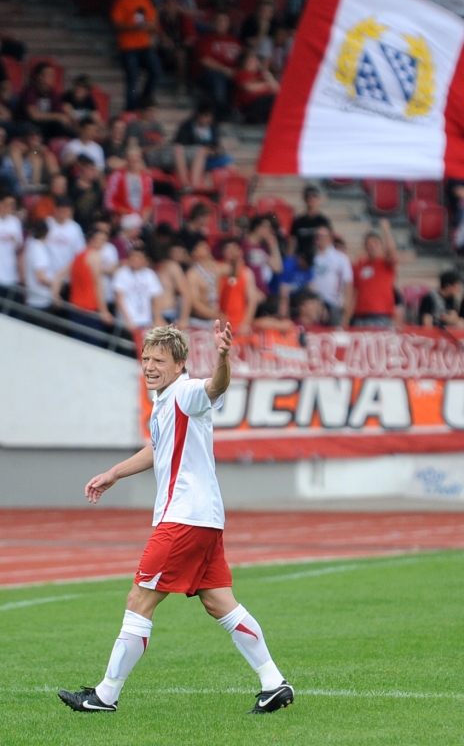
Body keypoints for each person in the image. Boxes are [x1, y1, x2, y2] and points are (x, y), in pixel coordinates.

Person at [58, 323, 294, 715]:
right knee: (220, 603)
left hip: (183, 519)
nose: (149, 366)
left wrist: (222, 357)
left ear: (179, 364)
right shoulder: (165, 400)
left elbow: (215, 387)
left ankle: (105, 695)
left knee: (139, 599)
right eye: (146, 358)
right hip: (203, 519)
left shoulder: (185, 392)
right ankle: (273, 683)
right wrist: (114, 472)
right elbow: (157, 446)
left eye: (158, 360)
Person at [110, 0, 163, 111]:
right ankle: (131, 109)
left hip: (144, 44)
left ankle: (144, 100)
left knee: (156, 71)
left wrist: (150, 27)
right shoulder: (123, 0)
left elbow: (153, 20)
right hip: (128, 46)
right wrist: (133, 27)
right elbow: (116, 23)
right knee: (132, 80)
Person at [196, 11, 242, 120]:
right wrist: (225, 69)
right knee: (218, 79)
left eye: (224, 21)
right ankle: (220, 114)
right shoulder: (206, 39)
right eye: (218, 20)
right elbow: (204, 60)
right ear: (213, 23)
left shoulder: (235, 40)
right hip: (209, 74)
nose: (221, 23)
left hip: (232, 72)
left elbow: (244, 59)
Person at [173, 103, 231, 189]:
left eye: (210, 117)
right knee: (201, 151)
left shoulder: (212, 127)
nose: (208, 120)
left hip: (209, 156)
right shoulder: (187, 127)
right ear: (199, 115)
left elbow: (216, 144)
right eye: (206, 116)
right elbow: (180, 144)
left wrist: (216, 150)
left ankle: (229, 188)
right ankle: (194, 185)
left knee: (229, 161)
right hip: (192, 155)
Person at [351, 219, 398, 327]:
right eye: (368, 244)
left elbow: (391, 253)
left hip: (381, 315)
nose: (371, 246)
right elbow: (354, 292)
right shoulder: (359, 266)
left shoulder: (385, 264)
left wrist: (386, 230)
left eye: (375, 243)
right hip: (360, 315)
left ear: (381, 245)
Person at [112, 244, 164, 332]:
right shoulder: (122, 273)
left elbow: (157, 297)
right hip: (127, 322)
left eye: (138, 257)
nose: (135, 260)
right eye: (132, 257)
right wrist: (127, 320)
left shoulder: (150, 274)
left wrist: (157, 318)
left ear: (145, 260)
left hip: (146, 321)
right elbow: (118, 298)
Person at [17, 61, 74, 140]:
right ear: (40, 77)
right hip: (27, 123)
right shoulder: (30, 91)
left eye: (52, 75)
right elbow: (34, 115)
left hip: (45, 125)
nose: (53, 78)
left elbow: (59, 111)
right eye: (49, 75)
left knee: (63, 127)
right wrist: (57, 116)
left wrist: (69, 116)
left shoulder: (52, 93)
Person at [311, 224, 353, 326]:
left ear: (330, 238)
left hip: (333, 303)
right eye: (318, 236)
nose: (320, 239)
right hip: (314, 304)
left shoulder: (340, 258)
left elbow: (347, 282)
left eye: (323, 236)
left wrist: (346, 304)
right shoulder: (312, 257)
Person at [218, 237, 257, 335]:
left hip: (239, 323)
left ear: (240, 251)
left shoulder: (246, 272)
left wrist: (245, 324)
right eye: (228, 248)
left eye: (235, 248)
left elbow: (252, 301)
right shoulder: (217, 269)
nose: (231, 251)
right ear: (223, 252)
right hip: (218, 322)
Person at [105, 146, 154, 222]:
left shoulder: (147, 178)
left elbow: (148, 201)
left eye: (136, 158)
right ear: (126, 160)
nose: (134, 161)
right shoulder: (117, 176)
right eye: (131, 158)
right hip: (123, 216)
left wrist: (145, 215)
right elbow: (109, 201)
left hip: (140, 217)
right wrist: (124, 212)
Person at [186, 234, 225, 328]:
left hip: (215, 318)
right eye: (201, 246)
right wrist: (214, 315)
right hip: (199, 322)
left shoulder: (216, 268)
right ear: (194, 253)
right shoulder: (192, 274)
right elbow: (194, 302)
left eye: (205, 245)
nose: (206, 247)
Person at [242, 215, 283, 299]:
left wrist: (274, 246)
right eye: (267, 227)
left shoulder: (264, 248)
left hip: (263, 293)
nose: (270, 231)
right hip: (249, 293)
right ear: (258, 228)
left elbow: (278, 268)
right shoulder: (243, 245)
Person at [234, 50, 279, 124]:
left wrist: (266, 73)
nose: (256, 61)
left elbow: (277, 89)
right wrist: (267, 84)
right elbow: (249, 87)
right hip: (252, 104)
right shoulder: (241, 74)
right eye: (253, 59)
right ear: (246, 61)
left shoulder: (261, 75)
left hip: (267, 101)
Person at [153, 243, 192, 329]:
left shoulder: (172, 267)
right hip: (152, 317)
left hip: (169, 315)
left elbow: (186, 293)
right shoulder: (149, 269)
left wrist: (183, 319)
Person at [45, 196, 86, 277]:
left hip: (67, 277)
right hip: (47, 275)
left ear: (71, 211)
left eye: (66, 209)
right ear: (55, 209)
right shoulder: (46, 224)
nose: (63, 211)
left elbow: (80, 254)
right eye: (61, 208)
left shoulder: (75, 228)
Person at [290, 184, 331, 261]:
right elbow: (292, 242)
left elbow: (328, 241)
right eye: (308, 196)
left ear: (318, 199)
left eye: (314, 196)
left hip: (318, 258)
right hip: (302, 260)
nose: (311, 198)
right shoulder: (299, 221)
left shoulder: (323, 221)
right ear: (304, 199)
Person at [24, 219, 56, 312]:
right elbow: (41, 277)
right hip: (41, 299)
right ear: (46, 233)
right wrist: (55, 285)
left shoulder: (30, 244)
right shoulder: (39, 249)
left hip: (31, 296)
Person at [0, 187, 23, 296]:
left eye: (13, 204)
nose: (12, 207)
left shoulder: (15, 222)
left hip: (11, 276)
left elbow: (18, 249)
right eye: (9, 204)